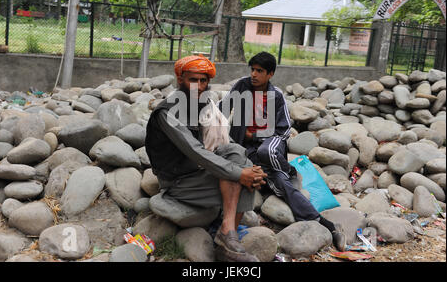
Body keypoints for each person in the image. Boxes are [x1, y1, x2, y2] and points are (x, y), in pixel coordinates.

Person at [218, 51, 346, 251]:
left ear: (270, 74)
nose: (253, 74)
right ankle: (327, 225)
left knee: (265, 153)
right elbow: (221, 110)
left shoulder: (276, 95)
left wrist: (256, 136)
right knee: (279, 181)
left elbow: (284, 129)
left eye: (259, 71)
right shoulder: (242, 86)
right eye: (252, 69)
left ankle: (287, 170)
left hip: (268, 144)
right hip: (244, 148)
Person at [145, 55, 267, 261]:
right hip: (178, 182)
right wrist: (239, 173)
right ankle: (228, 240)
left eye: (204, 81)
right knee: (238, 174)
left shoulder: (198, 104)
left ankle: (227, 233)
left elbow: (217, 145)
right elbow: (196, 151)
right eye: (193, 80)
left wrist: (248, 171)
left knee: (238, 156)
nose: (200, 86)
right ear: (180, 80)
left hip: (197, 172)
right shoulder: (167, 112)